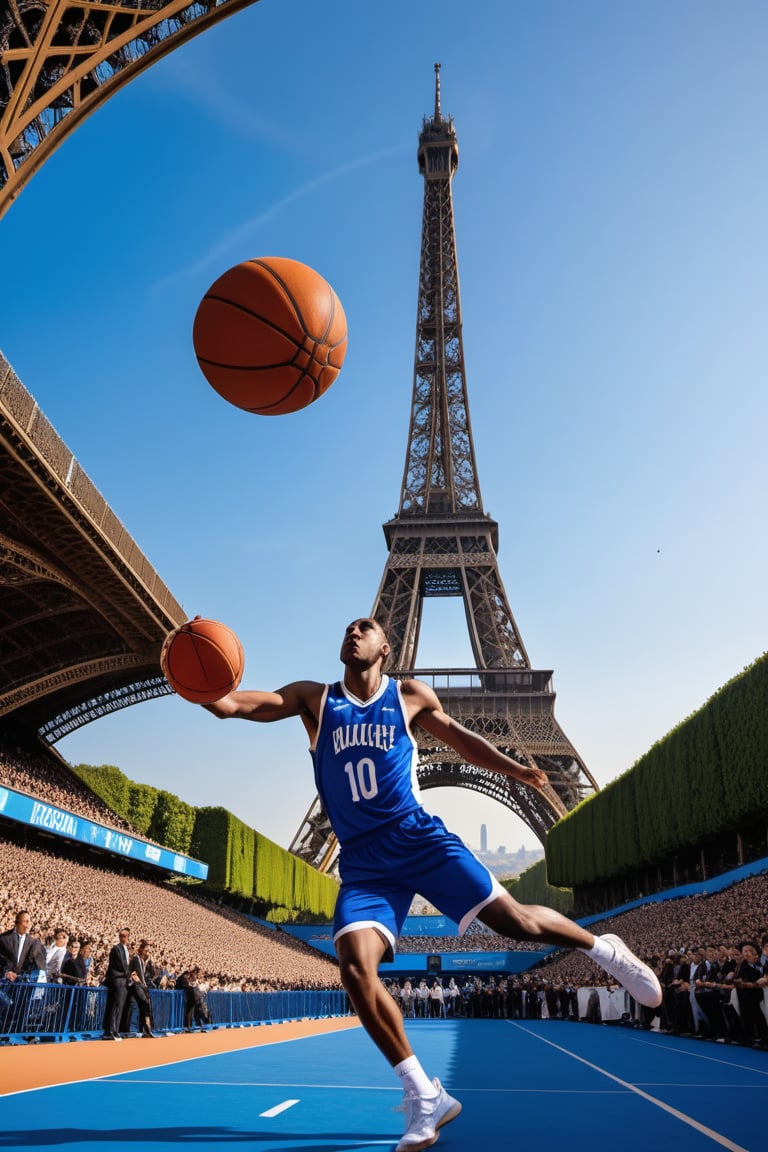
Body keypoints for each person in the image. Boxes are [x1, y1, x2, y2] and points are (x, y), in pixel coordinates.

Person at [203, 616, 662, 1152]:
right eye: (348, 628)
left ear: (385, 645)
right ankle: (424, 1095)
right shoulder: (315, 698)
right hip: (365, 864)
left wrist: (517, 771)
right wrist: (202, 685)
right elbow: (236, 704)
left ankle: (604, 949)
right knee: (354, 968)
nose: (354, 632)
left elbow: (464, 741)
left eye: (366, 627)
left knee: (515, 921)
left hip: (420, 840)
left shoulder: (409, 694)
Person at [101, 927, 132, 1040]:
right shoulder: (117, 949)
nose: (123, 938)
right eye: (121, 936)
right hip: (117, 980)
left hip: (122, 980)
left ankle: (113, 1030)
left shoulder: (125, 949)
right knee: (116, 1006)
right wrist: (130, 974)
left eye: (125, 936)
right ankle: (113, 1031)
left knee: (118, 1006)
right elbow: (122, 965)